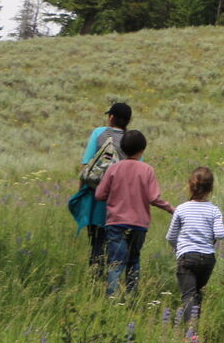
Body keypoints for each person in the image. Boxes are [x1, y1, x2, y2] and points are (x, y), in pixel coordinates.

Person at [93, 130, 174, 296]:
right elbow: (153, 197)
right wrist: (170, 208)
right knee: (133, 260)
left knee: (115, 262)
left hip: (115, 223)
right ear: (142, 149)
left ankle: (112, 299)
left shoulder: (113, 169)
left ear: (121, 148)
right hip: (139, 224)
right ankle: (131, 297)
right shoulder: (147, 170)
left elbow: (99, 195)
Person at [166, 166, 224, 339]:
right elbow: (220, 234)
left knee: (188, 295)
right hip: (208, 259)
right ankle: (195, 329)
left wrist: (179, 249)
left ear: (190, 186)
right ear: (211, 188)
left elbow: (171, 236)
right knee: (196, 293)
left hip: (187, 257)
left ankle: (191, 335)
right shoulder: (214, 210)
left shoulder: (181, 209)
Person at [69, 102, 131, 271]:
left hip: (96, 199)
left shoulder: (99, 133)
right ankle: (114, 280)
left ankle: (97, 279)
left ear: (111, 118)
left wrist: (80, 192)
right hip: (121, 202)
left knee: (97, 242)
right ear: (128, 121)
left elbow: (86, 166)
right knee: (117, 243)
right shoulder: (131, 139)